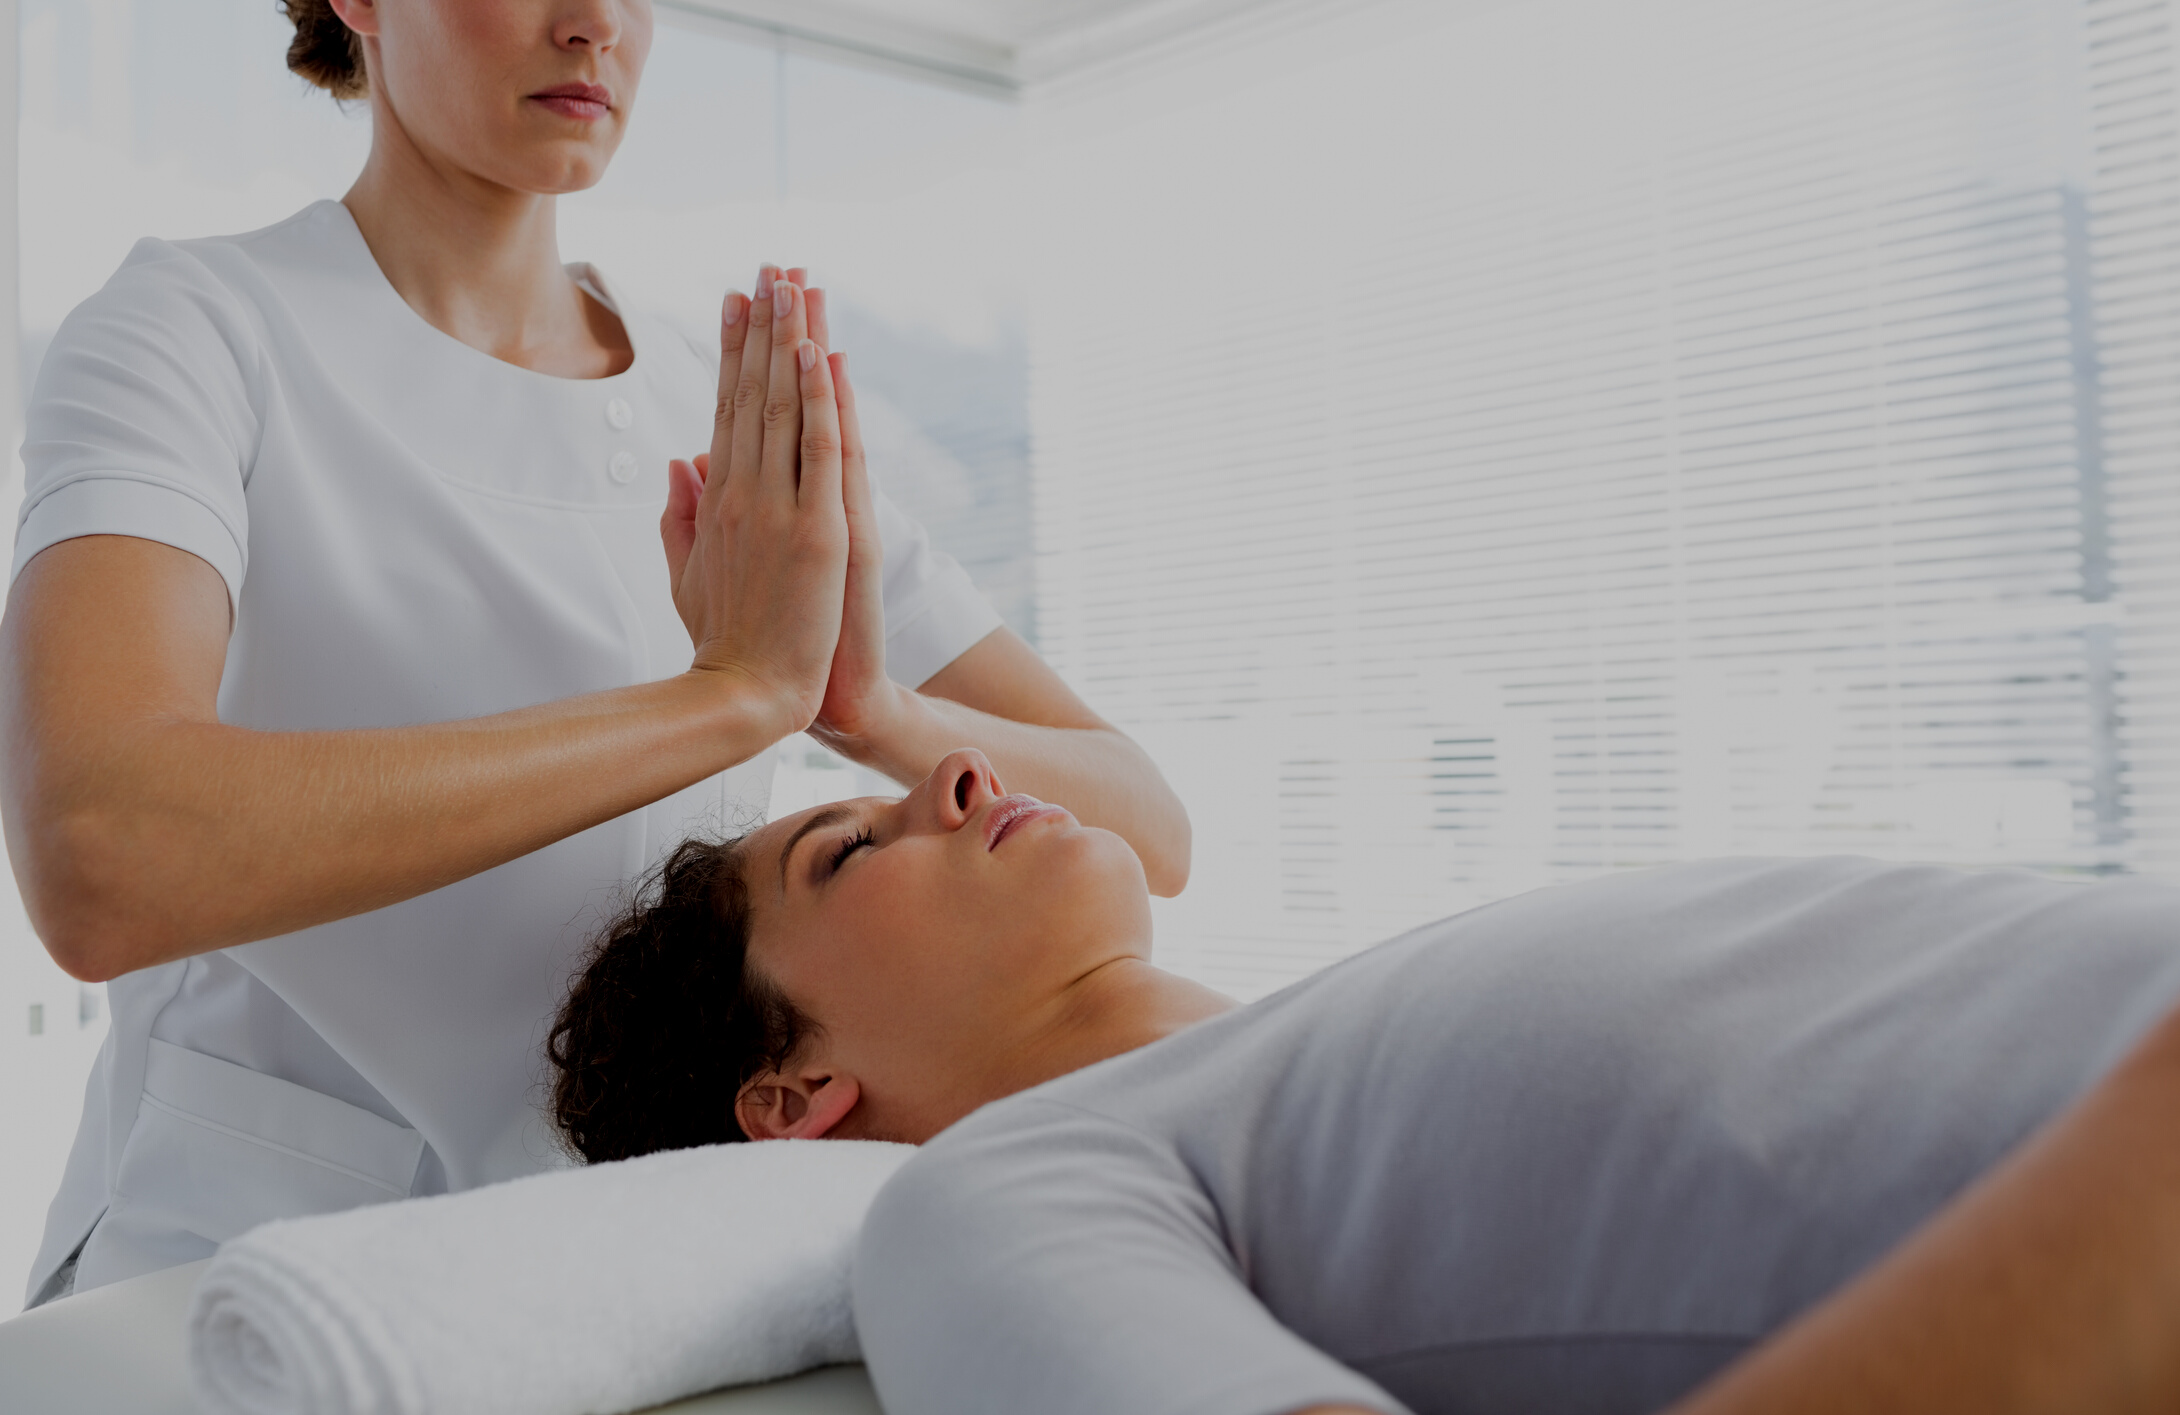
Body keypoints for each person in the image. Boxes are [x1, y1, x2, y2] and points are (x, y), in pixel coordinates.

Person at [0, 0, 1188, 1308]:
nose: (593, 25)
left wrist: (871, 705)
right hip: (224, 1281)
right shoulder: (200, 327)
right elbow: (102, 853)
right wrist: (729, 699)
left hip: (599, 1294)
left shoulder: (716, 407)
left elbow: (1147, 825)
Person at [548, 748, 2180, 1415]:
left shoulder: (1320, 1045)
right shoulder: (997, 1199)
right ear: (790, 1087)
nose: (956, 773)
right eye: (847, 849)